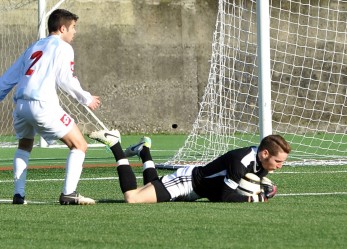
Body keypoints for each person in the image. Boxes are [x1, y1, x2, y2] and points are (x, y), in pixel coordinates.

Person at [0, 9, 100, 205]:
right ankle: (69, 194)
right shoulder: (63, 47)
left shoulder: (34, 46)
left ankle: (18, 195)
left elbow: (9, 77)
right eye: (73, 28)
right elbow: (66, 79)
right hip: (42, 105)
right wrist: (86, 99)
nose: (75, 32)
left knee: (25, 145)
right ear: (63, 28)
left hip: (21, 106)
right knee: (79, 145)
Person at [88, 129, 291, 203]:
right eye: (278, 161)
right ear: (265, 153)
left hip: (195, 190)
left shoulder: (263, 164)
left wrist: (266, 187)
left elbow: (250, 182)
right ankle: (114, 143)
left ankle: (143, 150)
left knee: (152, 186)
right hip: (187, 182)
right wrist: (254, 198)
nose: (280, 166)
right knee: (132, 197)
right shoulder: (241, 160)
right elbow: (224, 196)